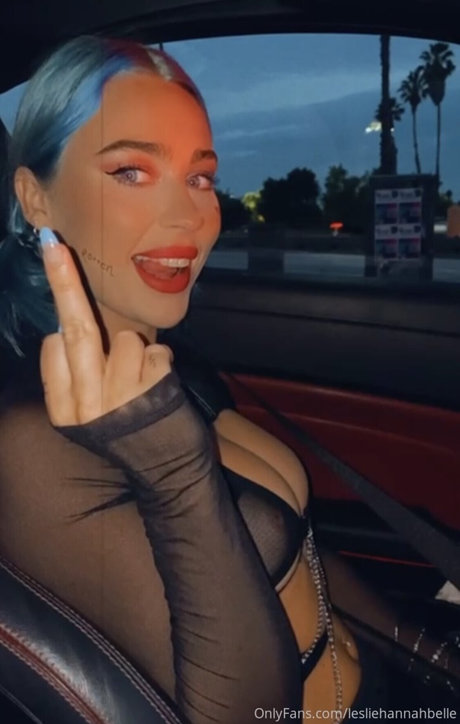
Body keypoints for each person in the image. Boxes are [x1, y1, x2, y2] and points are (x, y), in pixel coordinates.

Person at [0, 36, 456, 723]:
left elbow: (304, 557)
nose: (190, 216)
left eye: (200, 177)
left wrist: (436, 661)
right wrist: (172, 471)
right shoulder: (35, 444)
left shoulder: (174, 366)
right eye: (131, 171)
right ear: (36, 198)